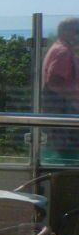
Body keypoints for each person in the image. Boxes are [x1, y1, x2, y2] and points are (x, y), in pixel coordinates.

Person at [43, 18, 79, 164]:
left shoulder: (61, 49)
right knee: (67, 157)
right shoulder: (63, 52)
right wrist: (73, 102)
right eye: (77, 31)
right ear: (66, 32)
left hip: (61, 112)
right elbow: (54, 82)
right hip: (64, 113)